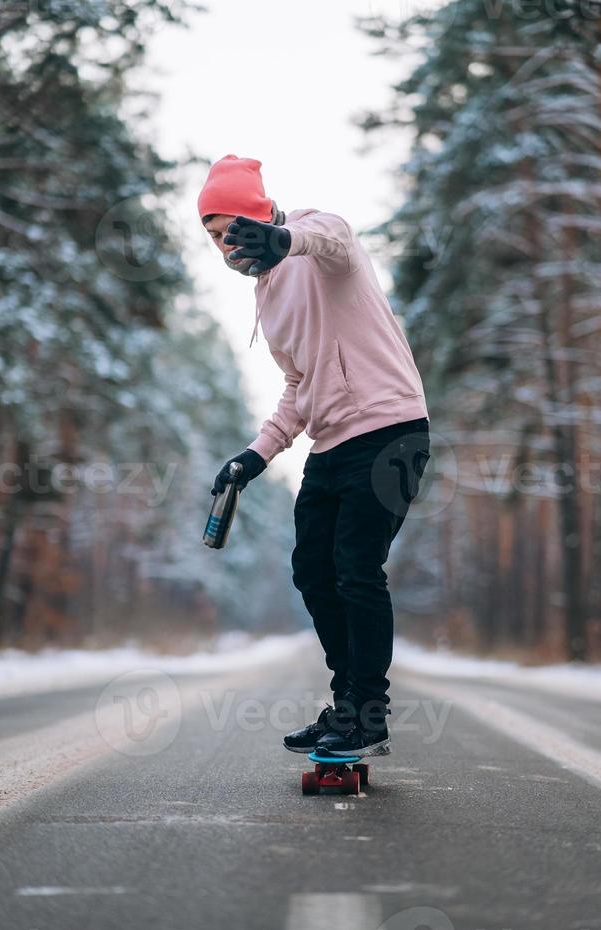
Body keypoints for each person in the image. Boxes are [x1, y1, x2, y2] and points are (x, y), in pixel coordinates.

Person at [197, 154, 431, 757]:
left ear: (261, 213)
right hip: (332, 443)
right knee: (311, 570)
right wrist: (254, 456)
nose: (227, 244)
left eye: (235, 227)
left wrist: (285, 240)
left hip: (391, 429)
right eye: (215, 235)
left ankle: (368, 716)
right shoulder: (268, 301)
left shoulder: (314, 235)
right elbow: (299, 385)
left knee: (356, 568)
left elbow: (336, 239)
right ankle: (348, 705)